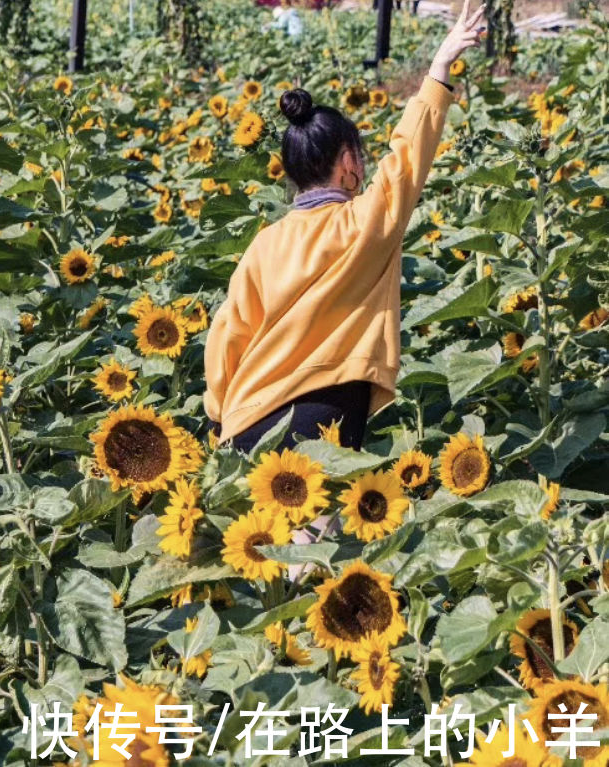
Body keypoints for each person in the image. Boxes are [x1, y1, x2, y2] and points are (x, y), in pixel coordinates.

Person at [203, 0, 485, 454]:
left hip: (245, 419)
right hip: (321, 409)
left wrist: (219, 417)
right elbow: (408, 158)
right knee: (319, 528)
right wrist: (439, 67)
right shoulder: (364, 223)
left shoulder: (264, 244)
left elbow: (227, 336)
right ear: (349, 162)